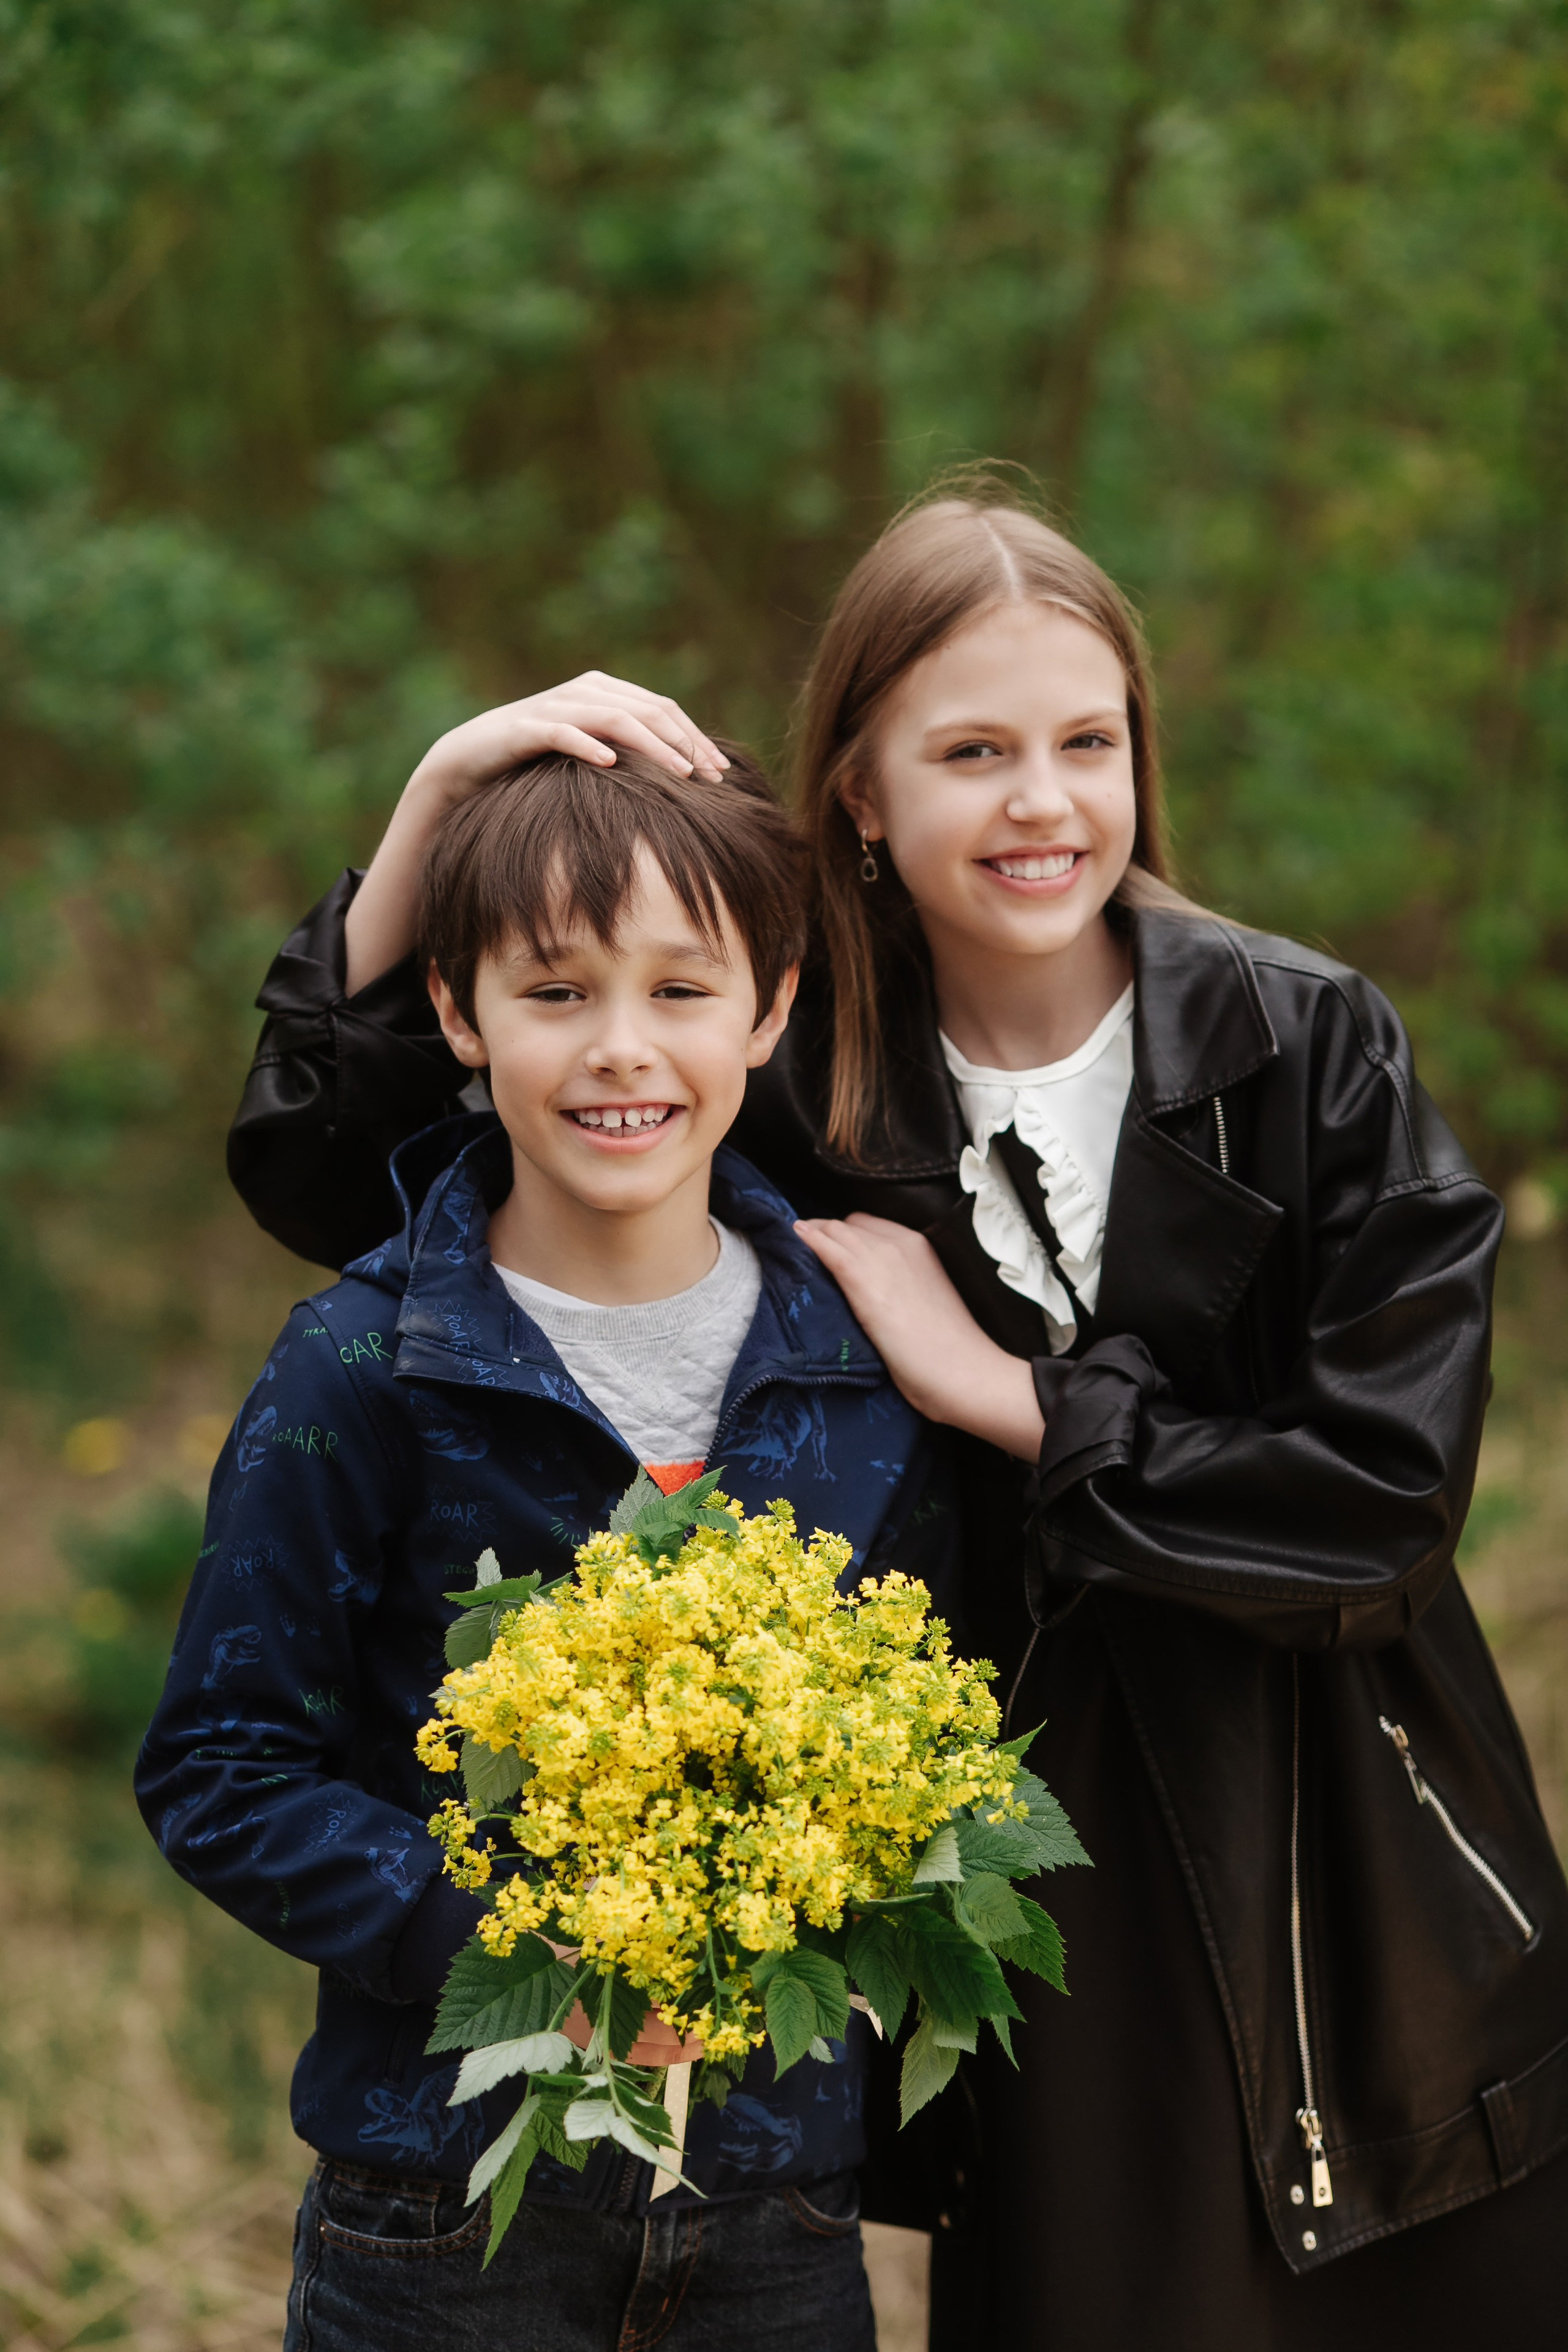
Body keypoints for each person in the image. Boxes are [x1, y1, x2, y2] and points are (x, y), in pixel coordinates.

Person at [225, 489, 1568, 2350]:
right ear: (859, 787)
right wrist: (436, 801)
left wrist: (1005, 1392)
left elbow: (1382, 1501)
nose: (1043, 802)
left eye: (1087, 743)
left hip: (1339, 1842)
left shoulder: (1310, 1043)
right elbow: (329, 1175)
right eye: (972, 751)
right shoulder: (790, 1064)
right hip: (1016, 1859)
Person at [139, 748, 965, 2352]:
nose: (622, 1050)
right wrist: (531, 1947)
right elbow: (221, 1770)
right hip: (441, 2216)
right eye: (557, 991)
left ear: (770, 1008)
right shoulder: (360, 1369)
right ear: (458, 1013)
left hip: (776, 2211)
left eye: (680, 988)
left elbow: (931, 1717)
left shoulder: (864, 1361)